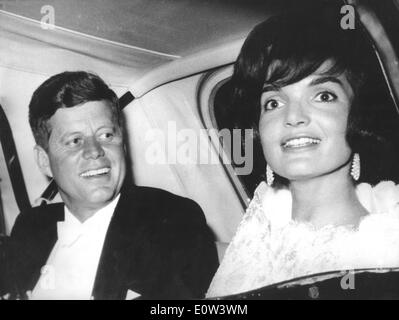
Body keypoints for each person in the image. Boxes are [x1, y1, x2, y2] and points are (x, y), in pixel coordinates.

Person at [206, 7, 399, 298]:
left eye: (323, 96)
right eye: (273, 102)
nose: (293, 117)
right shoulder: (258, 229)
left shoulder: (386, 250)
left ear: (358, 115)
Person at [3, 71, 218, 300]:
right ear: (44, 161)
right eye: (75, 141)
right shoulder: (30, 226)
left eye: (106, 135)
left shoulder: (171, 219)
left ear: (122, 145)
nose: (95, 151)